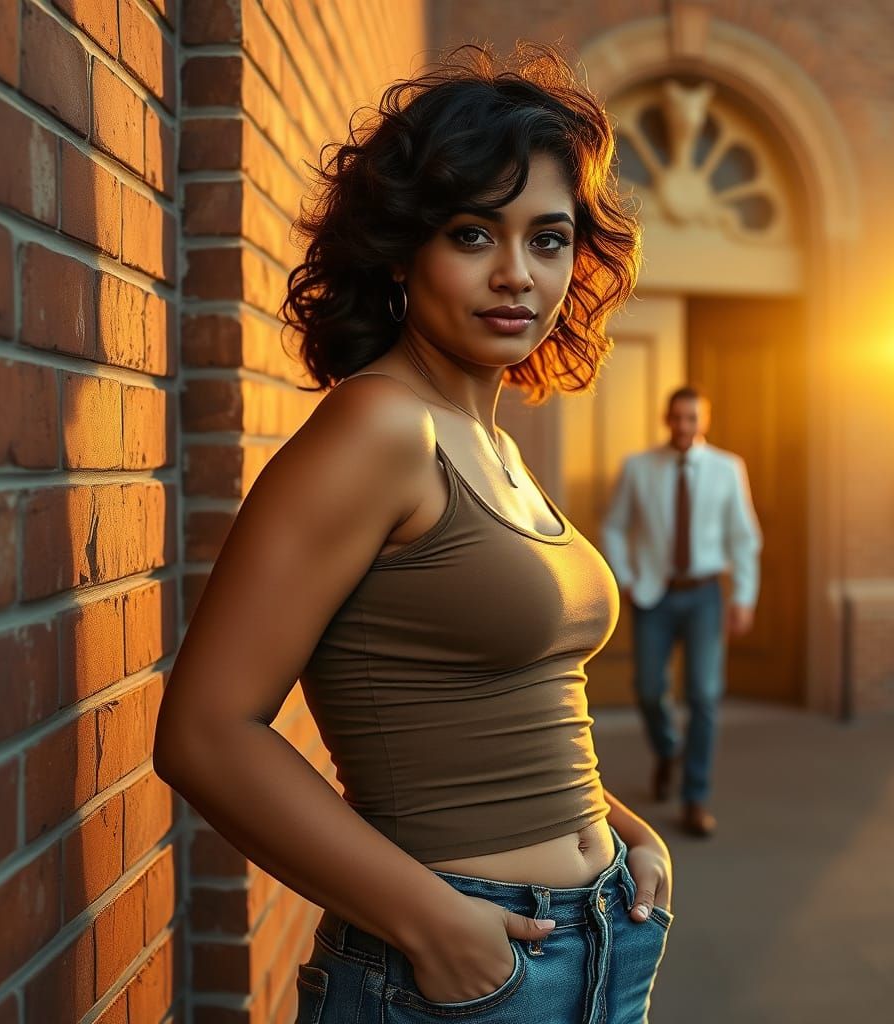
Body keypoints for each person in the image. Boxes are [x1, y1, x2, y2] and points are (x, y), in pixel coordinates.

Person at [154, 44, 674, 1024]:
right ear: (403, 247)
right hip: (466, 977)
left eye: (549, 239)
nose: (517, 274)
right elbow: (204, 731)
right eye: (473, 234)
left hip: (604, 939)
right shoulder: (377, 429)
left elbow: (508, 701)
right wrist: (436, 926)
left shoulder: (489, 439)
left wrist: (621, 828)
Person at [601, 387, 762, 838]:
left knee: (704, 696)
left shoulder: (728, 469)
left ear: (703, 420)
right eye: (677, 417)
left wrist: (744, 597)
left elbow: (744, 537)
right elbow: (613, 526)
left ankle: (695, 798)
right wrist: (626, 577)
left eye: (693, 418)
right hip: (654, 594)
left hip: (705, 596)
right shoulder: (638, 467)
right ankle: (668, 750)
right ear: (666, 419)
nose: (684, 426)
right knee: (650, 690)